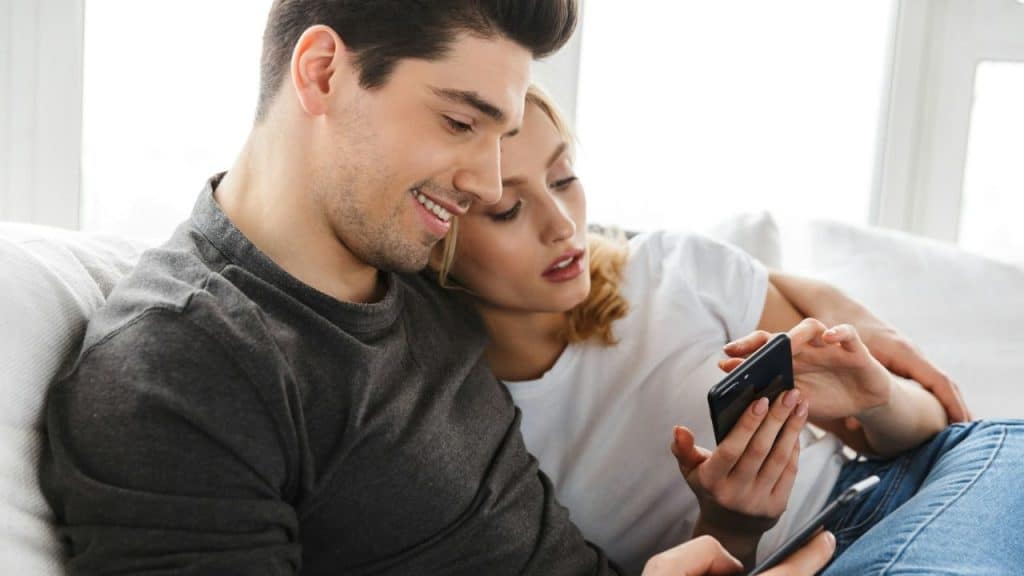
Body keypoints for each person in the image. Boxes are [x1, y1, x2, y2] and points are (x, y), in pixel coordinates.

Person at [39, 2, 834, 575]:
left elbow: (598, 255)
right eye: (460, 123)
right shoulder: (180, 368)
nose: (487, 181)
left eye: (503, 132)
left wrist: (815, 307)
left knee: (961, 458)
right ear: (322, 73)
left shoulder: (420, 267)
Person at [431, 84, 1024, 574]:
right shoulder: (467, 436)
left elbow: (937, 431)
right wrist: (730, 528)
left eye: (563, 178)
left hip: (932, 479)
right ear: (436, 241)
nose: (563, 226)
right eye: (508, 209)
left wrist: (878, 398)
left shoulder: (676, 270)